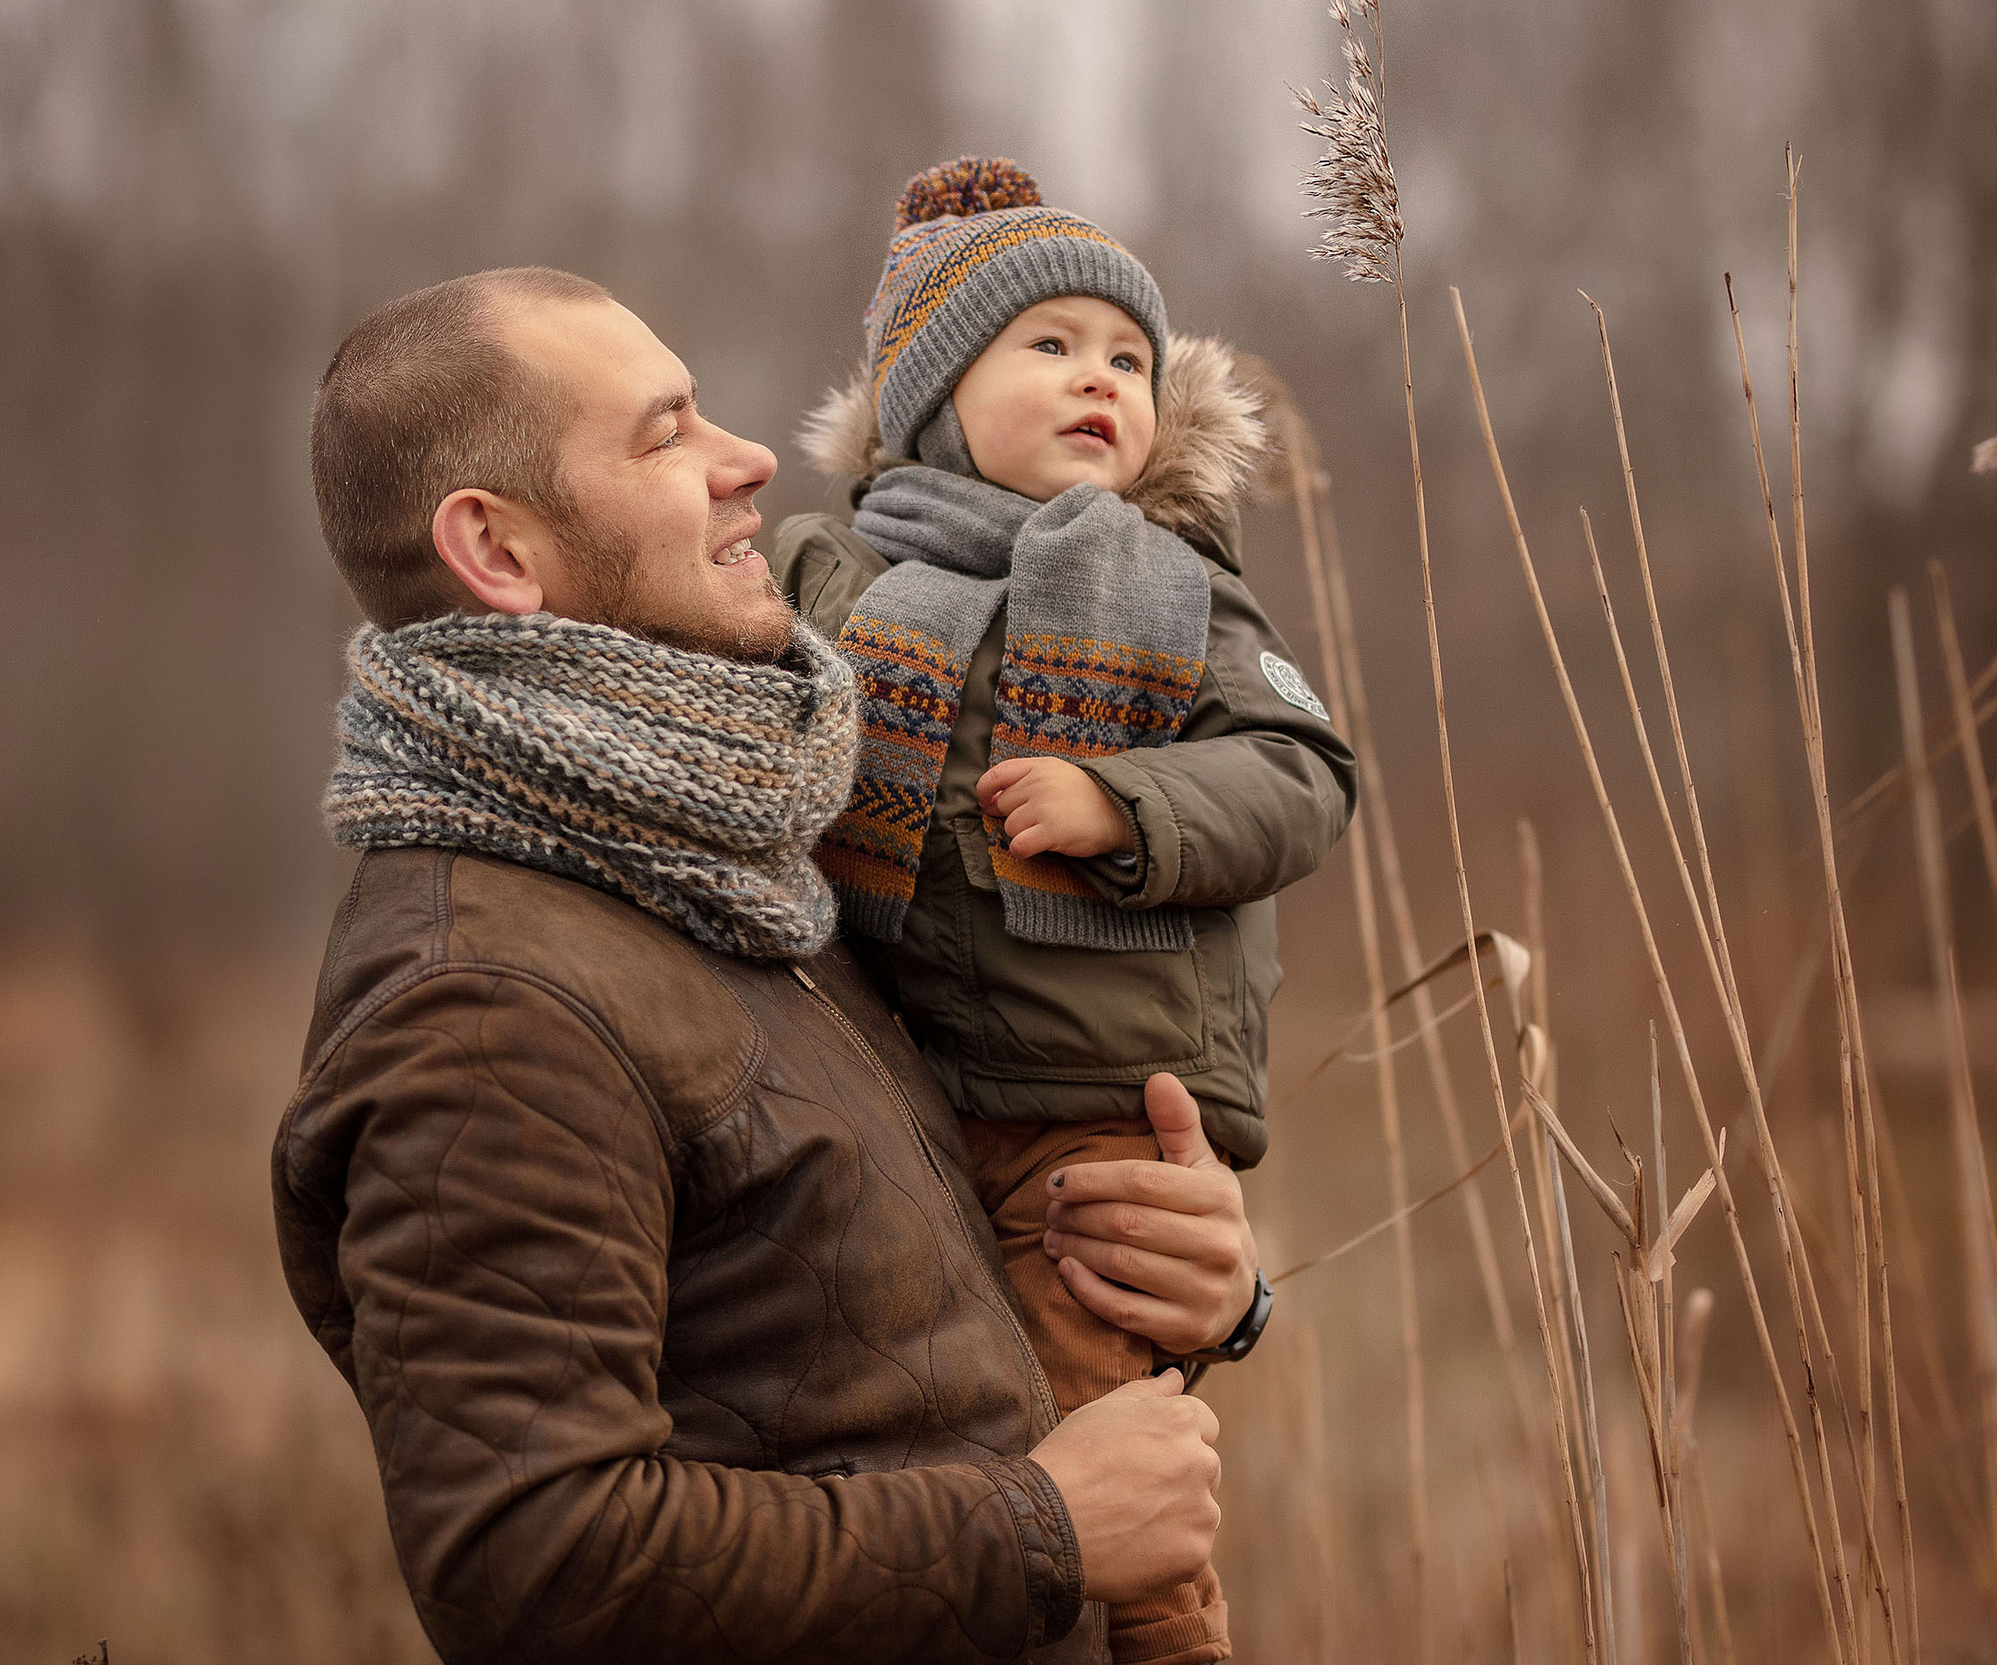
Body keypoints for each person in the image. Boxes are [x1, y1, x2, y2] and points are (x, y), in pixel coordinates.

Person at [275, 263, 1271, 1663]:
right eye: (665, 434)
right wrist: (1042, 1526)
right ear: (499, 553)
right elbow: (535, 1565)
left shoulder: (729, 857)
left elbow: (865, 1325)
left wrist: (1199, 1284)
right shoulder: (485, 1001)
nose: (750, 461)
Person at [771, 158, 1359, 1665]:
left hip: (1101, 1099)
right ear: (929, 397)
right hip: (913, 1072)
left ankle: (1168, 1634)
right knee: (925, 1395)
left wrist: (1127, 811)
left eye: (1129, 359)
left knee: (1080, 1395)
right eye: (1050, 348)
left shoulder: (1178, 586)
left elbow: (1303, 773)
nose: (1101, 380)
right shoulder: (843, 579)